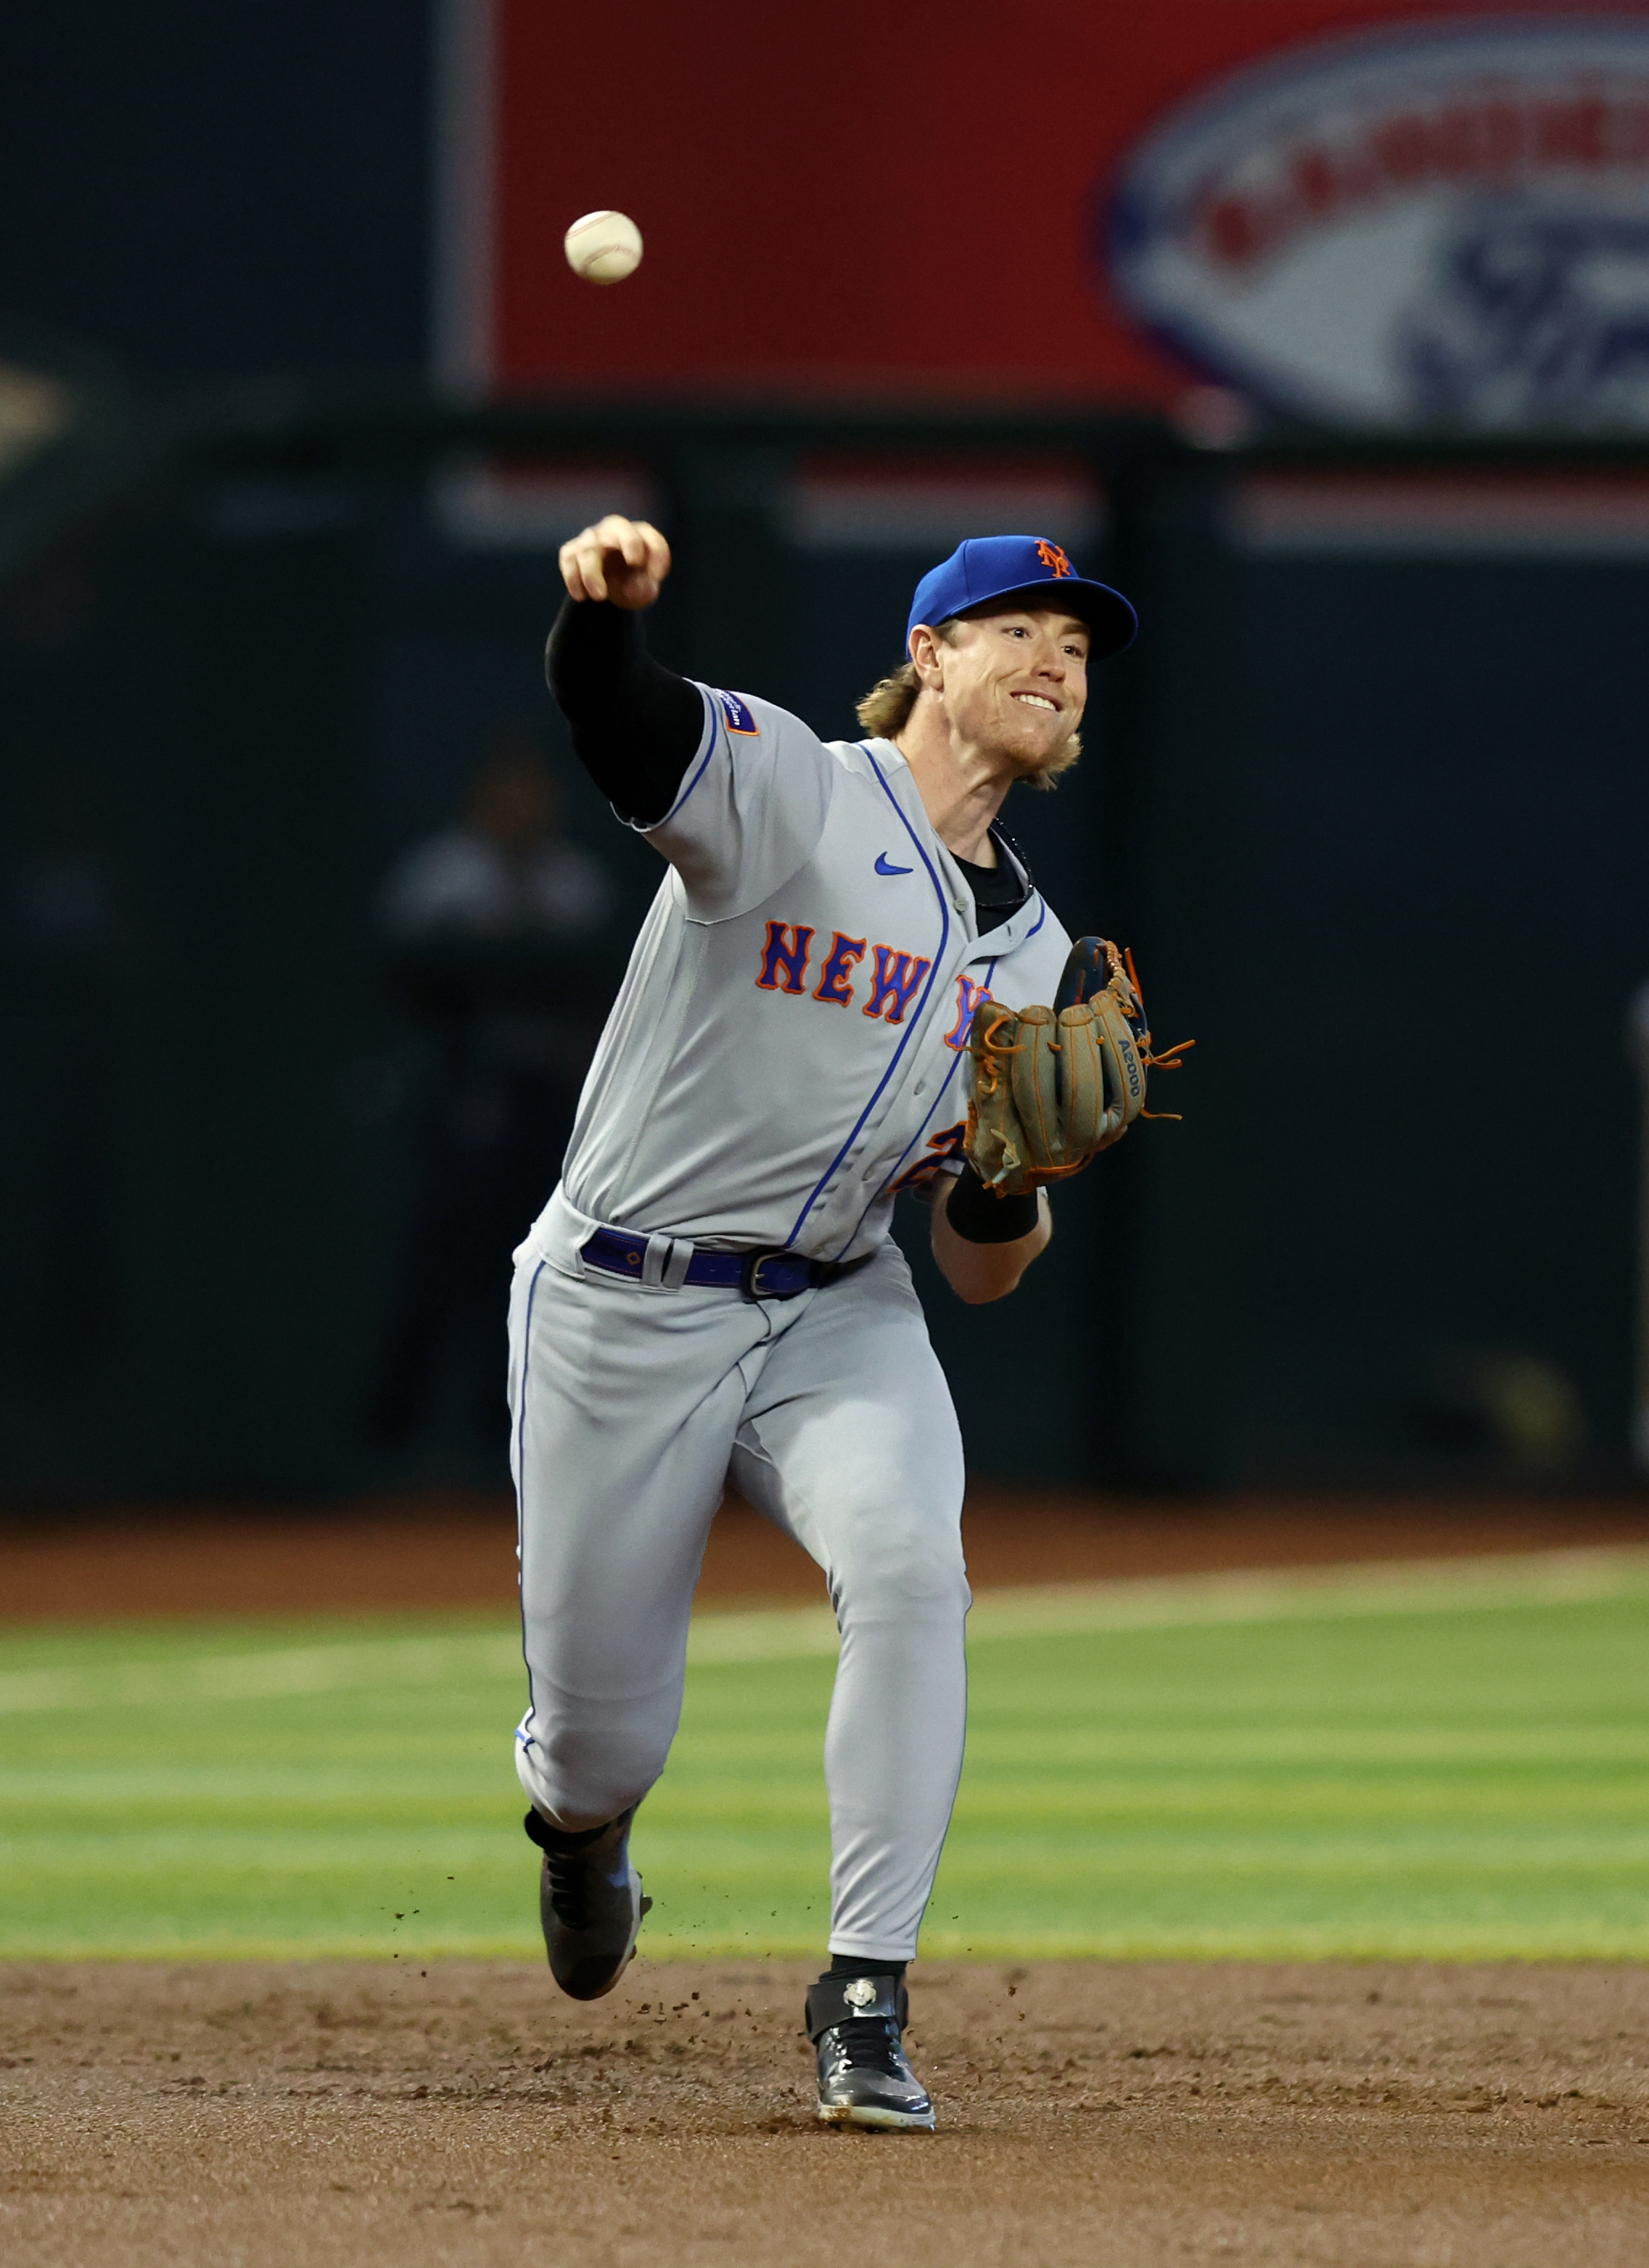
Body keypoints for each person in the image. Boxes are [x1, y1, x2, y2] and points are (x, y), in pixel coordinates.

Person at [511, 518, 1138, 2129]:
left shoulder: (1035, 954)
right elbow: (623, 726)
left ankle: (862, 1992)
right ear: (924, 655)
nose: (1052, 659)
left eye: (1074, 646)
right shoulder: (795, 788)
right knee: (598, 1743)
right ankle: (581, 1839)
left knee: (912, 1566)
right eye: (1014, 627)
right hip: (621, 1300)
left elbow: (983, 1267)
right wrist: (601, 614)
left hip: (835, 1308)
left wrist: (1007, 1181)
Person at [369, 734, 614, 1458]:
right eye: (508, 788)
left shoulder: (575, 884)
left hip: (549, 1105)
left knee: (543, 1269)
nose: (523, 804)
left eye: (534, 789)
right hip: (452, 1097)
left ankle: (508, 1439)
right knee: (441, 1263)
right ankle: (394, 1443)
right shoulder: (439, 878)